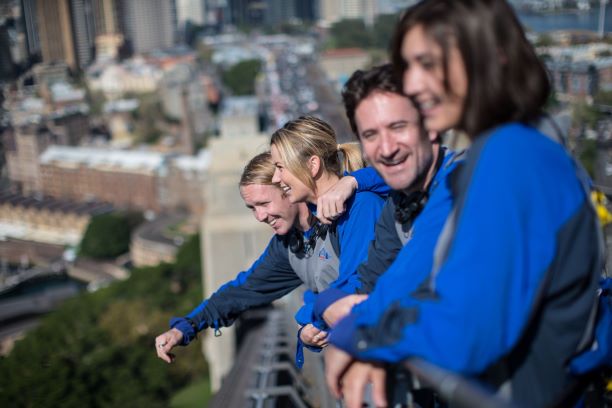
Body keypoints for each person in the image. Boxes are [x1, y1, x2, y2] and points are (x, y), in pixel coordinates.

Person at [324, 1, 603, 407]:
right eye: (408, 66)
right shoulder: (522, 144)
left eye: (428, 62)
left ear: (491, 54)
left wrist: (361, 337)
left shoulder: (510, 156)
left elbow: (467, 331)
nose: (414, 84)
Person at [268, 116, 385, 357]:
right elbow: (327, 285)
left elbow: (358, 285)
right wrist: (308, 329)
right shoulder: (320, 218)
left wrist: (308, 316)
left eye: (280, 167)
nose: (275, 179)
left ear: (312, 165)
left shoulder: (361, 207)